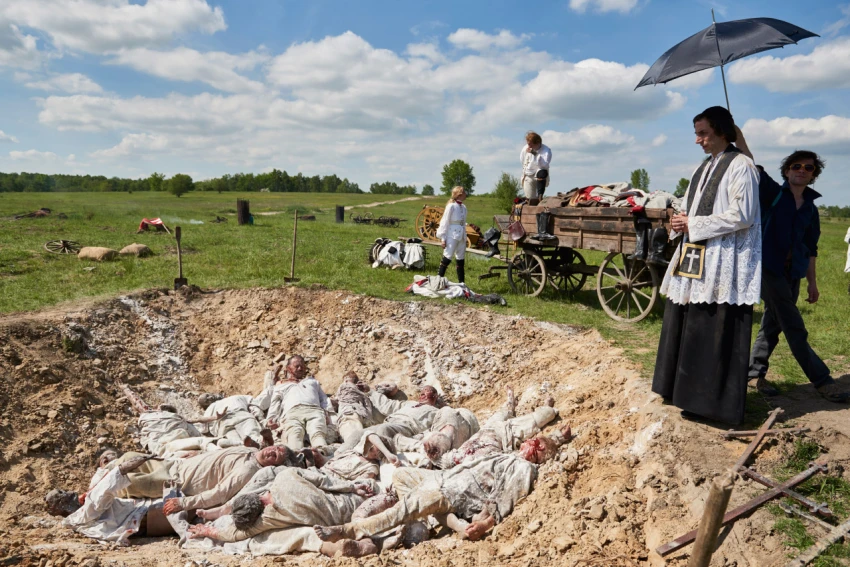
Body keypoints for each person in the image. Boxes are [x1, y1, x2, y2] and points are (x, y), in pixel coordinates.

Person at [652, 106, 761, 425]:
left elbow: (743, 215)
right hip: (695, 257)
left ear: (723, 132)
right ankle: (678, 391)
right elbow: (689, 207)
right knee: (686, 320)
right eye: (696, 133)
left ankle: (711, 405)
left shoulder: (742, 166)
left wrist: (693, 223)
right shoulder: (704, 167)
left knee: (712, 326)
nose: (698, 140)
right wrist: (678, 220)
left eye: (703, 133)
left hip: (723, 260)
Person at [747, 150, 850, 402]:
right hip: (768, 270)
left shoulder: (811, 210)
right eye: (796, 166)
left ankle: (753, 373)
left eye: (809, 167)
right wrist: (734, 130)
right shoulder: (772, 194)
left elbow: (810, 248)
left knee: (772, 324)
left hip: (793, 273)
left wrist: (812, 283)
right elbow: (750, 161)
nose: (802, 170)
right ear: (786, 171)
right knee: (794, 325)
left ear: (813, 175)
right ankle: (823, 380)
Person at [313, 451, 546, 556]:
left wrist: (485, 524)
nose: (527, 444)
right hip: (444, 477)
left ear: (538, 450)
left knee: (400, 510)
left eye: (534, 445)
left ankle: (348, 530)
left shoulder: (523, 467)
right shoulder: (509, 455)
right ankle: (438, 521)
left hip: (452, 492)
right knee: (401, 476)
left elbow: (507, 498)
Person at [266, 355, 333, 450]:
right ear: (288, 368)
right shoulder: (281, 384)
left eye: (302, 366)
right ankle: (297, 458)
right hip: (292, 412)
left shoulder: (313, 382)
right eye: (296, 366)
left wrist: (329, 414)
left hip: (314, 411)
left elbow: (324, 400)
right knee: (294, 435)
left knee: (317, 433)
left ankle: (321, 455)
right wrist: (271, 418)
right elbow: (275, 403)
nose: (300, 368)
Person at [435, 186, 468, 284]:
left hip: (462, 235)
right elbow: (444, 222)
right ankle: (438, 281)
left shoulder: (464, 207)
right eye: (464, 192)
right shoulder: (451, 206)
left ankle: (462, 284)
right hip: (452, 234)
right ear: (460, 194)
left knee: (461, 260)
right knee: (447, 257)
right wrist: (443, 238)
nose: (466, 194)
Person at [520, 131, 552, 201]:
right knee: (530, 199)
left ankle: (540, 195)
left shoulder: (546, 151)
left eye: (531, 145)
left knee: (542, 172)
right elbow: (522, 160)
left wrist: (534, 153)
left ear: (537, 143)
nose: (529, 147)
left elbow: (544, 165)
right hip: (529, 174)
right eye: (528, 144)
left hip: (540, 175)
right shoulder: (525, 148)